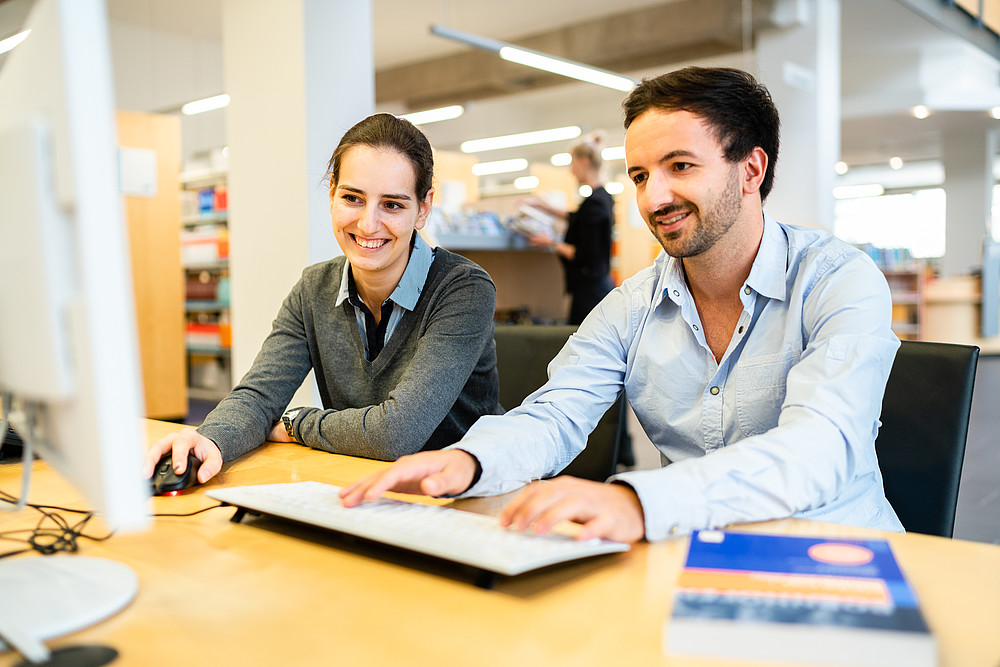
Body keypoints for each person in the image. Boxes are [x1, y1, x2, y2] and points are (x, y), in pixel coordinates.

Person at [341, 67, 904, 544]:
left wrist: (637, 504)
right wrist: (468, 462)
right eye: (640, 175)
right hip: (690, 556)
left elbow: (820, 447)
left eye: (680, 166)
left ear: (751, 170)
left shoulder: (838, 281)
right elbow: (554, 415)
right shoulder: (630, 307)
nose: (653, 199)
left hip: (837, 553)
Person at [144, 113, 501, 484]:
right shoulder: (314, 288)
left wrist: (297, 422)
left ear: (423, 208)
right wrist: (207, 440)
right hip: (361, 486)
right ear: (331, 193)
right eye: (352, 198)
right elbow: (260, 394)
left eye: (392, 205)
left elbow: (397, 434)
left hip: (466, 501)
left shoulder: (463, 289)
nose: (367, 224)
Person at [524, 132, 616, 325]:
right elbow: (579, 218)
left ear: (584, 162)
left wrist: (550, 243)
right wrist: (545, 207)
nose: (571, 171)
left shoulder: (595, 203)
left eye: (572, 164)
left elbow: (584, 254)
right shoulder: (602, 198)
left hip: (590, 292)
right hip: (596, 287)